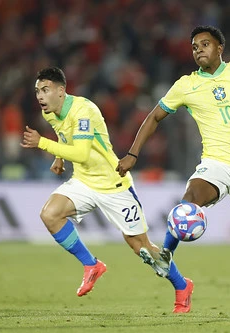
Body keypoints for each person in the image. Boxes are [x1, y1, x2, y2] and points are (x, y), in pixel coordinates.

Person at [116, 25, 230, 319]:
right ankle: (166, 256)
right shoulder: (186, 85)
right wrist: (133, 153)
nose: (198, 49)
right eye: (194, 46)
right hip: (215, 163)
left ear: (220, 48)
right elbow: (154, 116)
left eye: (205, 44)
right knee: (187, 202)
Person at [21, 67, 173, 297]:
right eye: (37, 91)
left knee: (140, 246)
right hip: (83, 180)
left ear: (61, 91)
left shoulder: (84, 110)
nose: (40, 96)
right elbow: (64, 134)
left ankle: (182, 286)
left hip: (113, 183)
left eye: (45, 90)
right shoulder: (50, 113)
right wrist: (59, 157)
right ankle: (91, 265)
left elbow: (81, 153)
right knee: (50, 214)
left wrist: (42, 143)